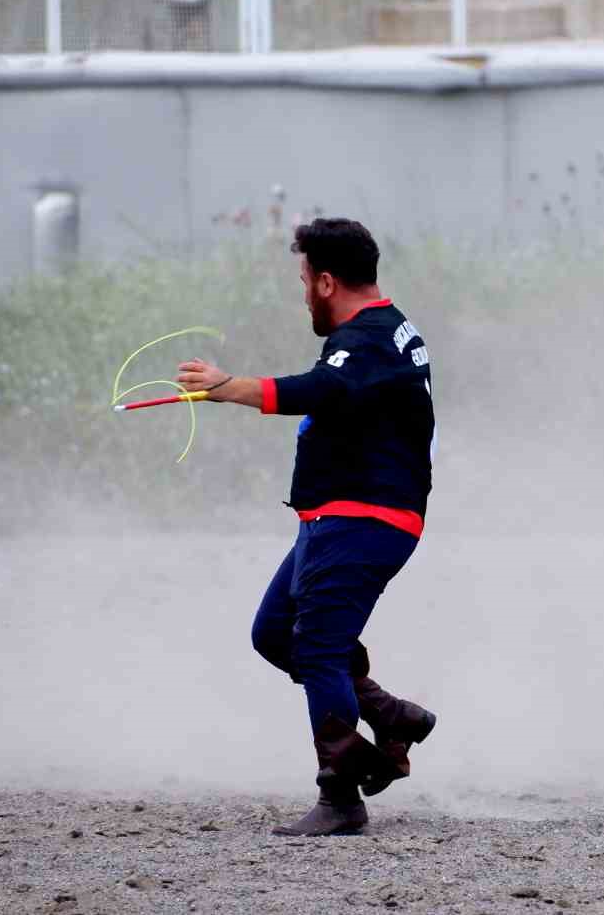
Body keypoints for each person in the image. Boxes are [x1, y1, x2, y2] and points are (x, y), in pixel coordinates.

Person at [176, 217, 436, 837]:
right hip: (335, 520)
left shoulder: (369, 338)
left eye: (303, 281)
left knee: (317, 648)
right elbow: (340, 392)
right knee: (274, 634)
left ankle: (340, 796)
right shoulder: (385, 331)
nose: (302, 295)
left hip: (361, 520)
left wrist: (227, 387)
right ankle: (389, 715)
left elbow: (321, 388)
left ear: (325, 281)